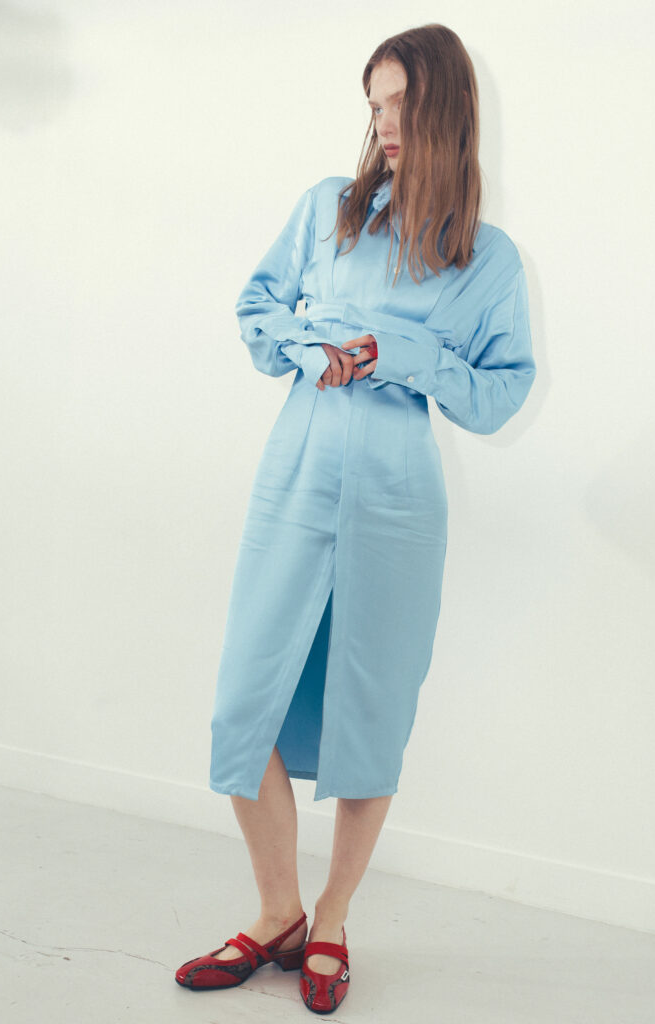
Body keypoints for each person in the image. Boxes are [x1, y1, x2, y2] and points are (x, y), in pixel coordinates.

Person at [175, 22, 536, 1015]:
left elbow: (501, 394)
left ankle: (329, 918)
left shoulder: (487, 259)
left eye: (398, 103)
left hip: (394, 503)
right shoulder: (324, 211)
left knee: (370, 713)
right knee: (243, 705)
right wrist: (307, 346)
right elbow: (256, 310)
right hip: (295, 480)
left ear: (444, 108)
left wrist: (396, 355)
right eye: (372, 104)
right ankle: (275, 911)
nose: (381, 123)